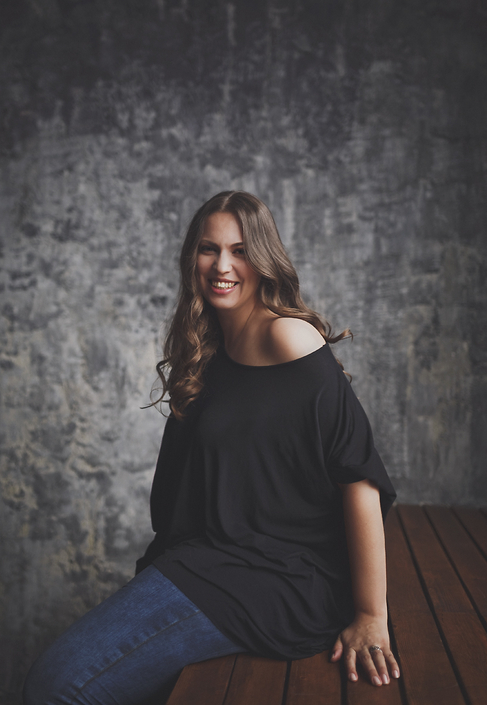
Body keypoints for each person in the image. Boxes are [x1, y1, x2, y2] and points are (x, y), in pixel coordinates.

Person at [23, 190, 400, 705]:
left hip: (280, 578)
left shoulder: (288, 337)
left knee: (57, 686)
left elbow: (356, 474)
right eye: (209, 248)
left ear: (263, 260)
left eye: (240, 251)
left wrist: (371, 614)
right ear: (191, 258)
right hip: (212, 562)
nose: (222, 265)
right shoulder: (208, 348)